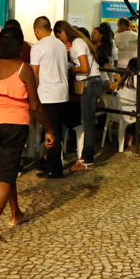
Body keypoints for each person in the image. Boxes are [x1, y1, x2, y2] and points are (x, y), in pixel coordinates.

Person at [0, 28, 55, 248]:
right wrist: (49, 129)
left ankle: (16, 213)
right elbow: (35, 105)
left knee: (5, 168)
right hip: (13, 123)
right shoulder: (23, 69)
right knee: (5, 174)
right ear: (21, 47)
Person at [53, 20, 103, 171]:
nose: (59, 40)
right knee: (86, 120)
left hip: (90, 82)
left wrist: (69, 70)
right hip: (91, 82)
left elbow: (84, 67)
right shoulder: (79, 42)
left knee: (87, 122)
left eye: (58, 36)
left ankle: (87, 159)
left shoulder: (77, 43)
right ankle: (85, 157)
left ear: (63, 32)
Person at [30, 16, 70, 179]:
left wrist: (32, 94)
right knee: (56, 131)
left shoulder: (38, 47)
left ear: (36, 30)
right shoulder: (60, 44)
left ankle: (54, 170)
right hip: (62, 92)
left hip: (47, 93)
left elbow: (34, 74)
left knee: (51, 131)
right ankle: (52, 165)